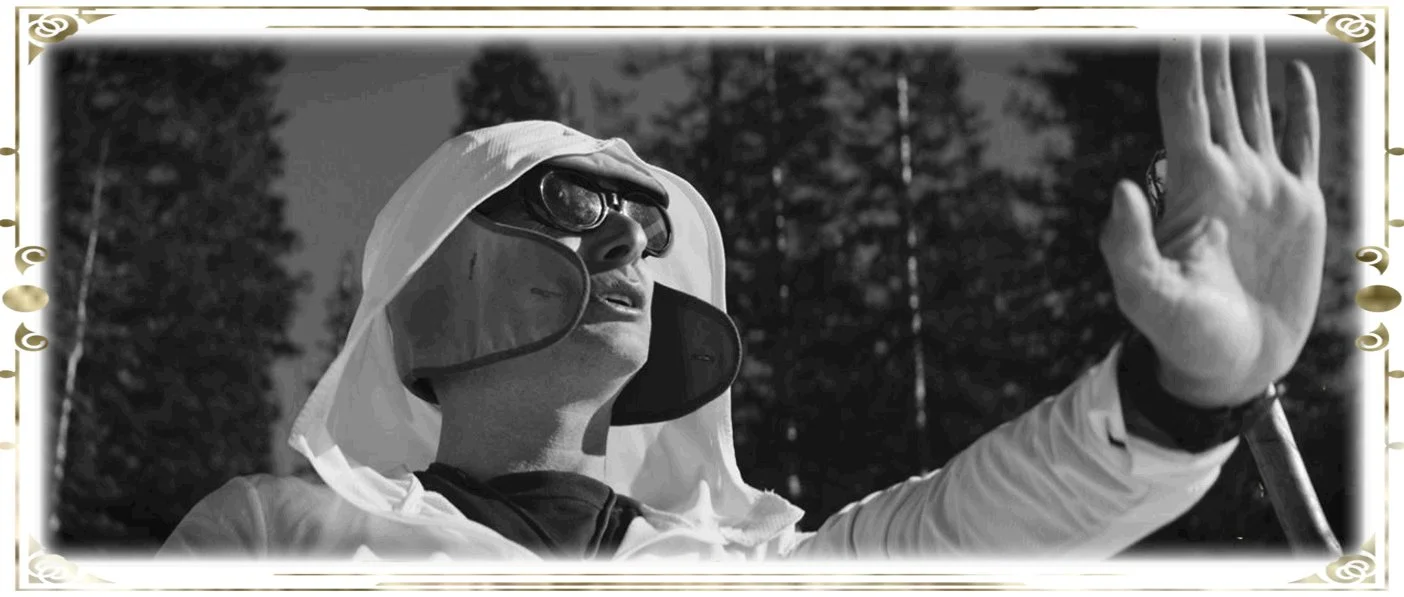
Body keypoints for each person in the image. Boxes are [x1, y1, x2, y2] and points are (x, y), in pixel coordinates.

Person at [158, 37, 1325, 560]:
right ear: (422, 293)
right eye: (568, 203)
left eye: (649, 222)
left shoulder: (746, 561)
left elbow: (969, 528)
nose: (628, 236)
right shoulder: (276, 534)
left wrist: (1186, 393)